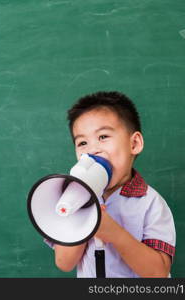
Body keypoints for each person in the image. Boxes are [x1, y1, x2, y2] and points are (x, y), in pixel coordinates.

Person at [45, 91, 176, 277]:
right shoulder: (73, 199)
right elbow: (64, 263)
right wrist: (83, 213)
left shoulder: (151, 203)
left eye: (103, 137)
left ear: (134, 143)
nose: (93, 150)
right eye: (82, 142)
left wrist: (113, 232)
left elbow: (158, 272)